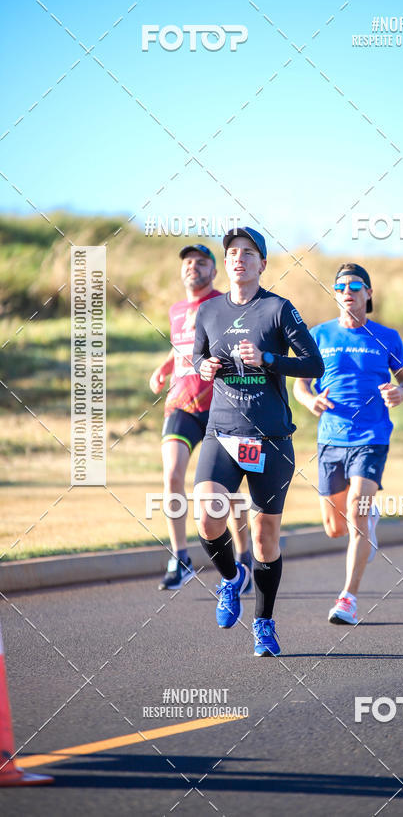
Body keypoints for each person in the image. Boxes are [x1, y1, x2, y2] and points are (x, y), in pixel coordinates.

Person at [192, 226, 324, 657]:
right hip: (221, 432)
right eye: (232, 252)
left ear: (262, 263)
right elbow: (197, 356)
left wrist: (267, 359)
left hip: (270, 439)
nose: (239, 258)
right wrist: (204, 367)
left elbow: (312, 364)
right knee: (208, 516)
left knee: (266, 539)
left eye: (249, 253)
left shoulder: (278, 309)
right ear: (225, 262)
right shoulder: (209, 312)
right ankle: (232, 579)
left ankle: (264, 623)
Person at [293, 263, 403, 625]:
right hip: (330, 437)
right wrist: (308, 400)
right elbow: (299, 384)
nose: (347, 290)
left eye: (355, 285)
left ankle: (348, 599)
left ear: (368, 293)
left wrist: (402, 391)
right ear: (335, 293)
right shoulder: (318, 335)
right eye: (340, 285)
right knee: (335, 527)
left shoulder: (386, 336)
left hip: (372, 437)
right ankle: (368, 521)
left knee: (358, 516)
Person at [149, 243, 252, 591]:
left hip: (220, 407)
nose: (193, 267)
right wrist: (163, 369)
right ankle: (180, 558)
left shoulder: (225, 305)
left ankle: (244, 558)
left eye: (201, 263)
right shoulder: (177, 309)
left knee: (231, 490)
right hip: (180, 405)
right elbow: (180, 347)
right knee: (172, 477)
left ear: (214, 270)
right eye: (188, 262)